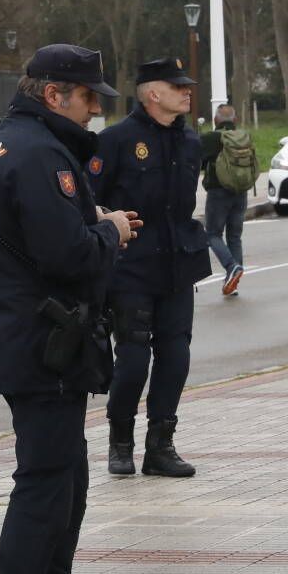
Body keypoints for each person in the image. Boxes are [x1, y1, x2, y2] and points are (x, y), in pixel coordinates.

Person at [0, 44, 136, 574]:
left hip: (36, 335)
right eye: (87, 97)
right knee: (44, 485)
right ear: (52, 94)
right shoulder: (39, 153)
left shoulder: (9, 142)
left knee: (68, 478)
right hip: (44, 339)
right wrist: (110, 231)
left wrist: (91, 221)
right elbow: (66, 255)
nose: (94, 110)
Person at [94, 57, 210, 479]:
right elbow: (91, 201)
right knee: (133, 359)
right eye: (177, 86)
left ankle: (161, 446)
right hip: (131, 268)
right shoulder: (115, 140)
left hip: (178, 265)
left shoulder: (190, 142)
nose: (187, 91)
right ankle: (120, 441)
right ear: (153, 94)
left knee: (175, 357)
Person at [201, 102, 255, 298]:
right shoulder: (244, 136)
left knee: (212, 234)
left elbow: (199, 161)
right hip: (241, 191)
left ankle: (232, 267)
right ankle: (233, 281)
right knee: (234, 236)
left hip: (218, 192)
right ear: (235, 119)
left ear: (216, 120)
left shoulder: (211, 138)